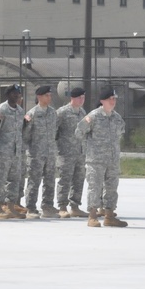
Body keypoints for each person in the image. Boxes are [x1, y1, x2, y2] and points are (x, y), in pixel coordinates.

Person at [75, 87, 127, 228]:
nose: (113, 101)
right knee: (95, 187)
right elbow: (79, 132)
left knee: (111, 188)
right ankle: (92, 216)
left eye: (114, 99)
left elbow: (121, 132)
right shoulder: (93, 116)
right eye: (110, 99)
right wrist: (89, 147)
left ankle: (109, 216)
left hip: (112, 160)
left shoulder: (116, 118)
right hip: (96, 160)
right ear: (102, 101)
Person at [24, 85, 60, 218]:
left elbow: (55, 131)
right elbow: (26, 135)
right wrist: (31, 150)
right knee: (34, 181)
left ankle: (47, 206)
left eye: (50, 95)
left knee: (50, 180)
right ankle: (31, 208)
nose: (49, 97)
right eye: (47, 95)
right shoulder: (31, 114)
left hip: (50, 153)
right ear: (39, 97)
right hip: (36, 154)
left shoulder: (52, 113)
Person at [0, 84, 26, 219]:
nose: (16, 95)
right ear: (7, 95)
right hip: (2, 151)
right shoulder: (1, 110)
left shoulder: (20, 111)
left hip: (16, 151)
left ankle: (11, 206)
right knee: (0, 179)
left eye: (18, 93)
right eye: (13, 93)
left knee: (14, 180)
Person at [55, 87, 88, 218]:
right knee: (65, 180)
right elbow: (54, 130)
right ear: (72, 98)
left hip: (79, 153)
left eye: (83, 98)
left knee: (79, 179)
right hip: (65, 152)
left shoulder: (82, 113)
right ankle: (62, 206)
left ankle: (75, 206)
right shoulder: (62, 112)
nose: (81, 100)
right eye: (79, 97)